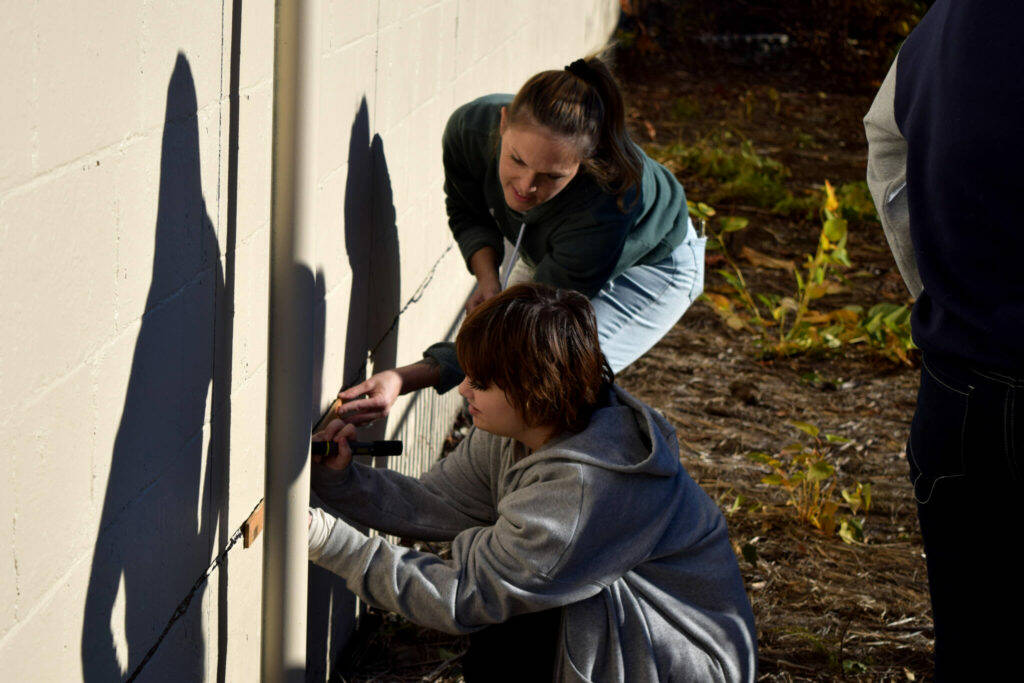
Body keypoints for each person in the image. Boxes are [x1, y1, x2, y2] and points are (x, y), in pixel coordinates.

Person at [308, 284, 756, 682]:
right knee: (516, 615)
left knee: (515, 630)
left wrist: (331, 543)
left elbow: (466, 596)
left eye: (481, 382)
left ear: (535, 388)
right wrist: (342, 480)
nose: (463, 390)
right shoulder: (528, 428)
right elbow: (435, 503)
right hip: (627, 623)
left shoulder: (584, 492)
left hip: (679, 660)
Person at [326, 55, 704, 426]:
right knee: (506, 382)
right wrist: (488, 279)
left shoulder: (605, 203)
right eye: (517, 161)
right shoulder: (471, 130)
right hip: (566, 247)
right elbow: (466, 210)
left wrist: (404, 378)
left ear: (585, 160)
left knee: (537, 384)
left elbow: (524, 328)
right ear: (503, 122)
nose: (525, 186)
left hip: (655, 265)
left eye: (552, 176)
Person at [864, 0, 1024, 678]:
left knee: (973, 647)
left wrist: (935, 288)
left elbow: (886, 146)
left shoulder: (949, 23)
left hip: (960, 392)